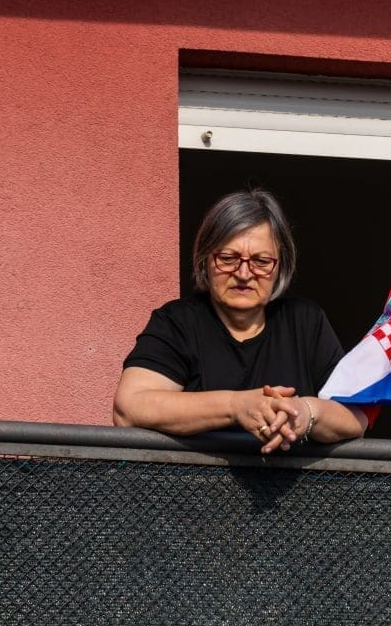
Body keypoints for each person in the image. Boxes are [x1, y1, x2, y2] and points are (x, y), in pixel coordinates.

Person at [113, 188, 369, 453]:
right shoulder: (177, 322)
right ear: (204, 260)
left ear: (280, 266)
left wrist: (305, 412)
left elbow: (356, 417)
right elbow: (129, 407)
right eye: (228, 259)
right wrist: (236, 407)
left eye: (261, 261)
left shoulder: (304, 321)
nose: (244, 273)